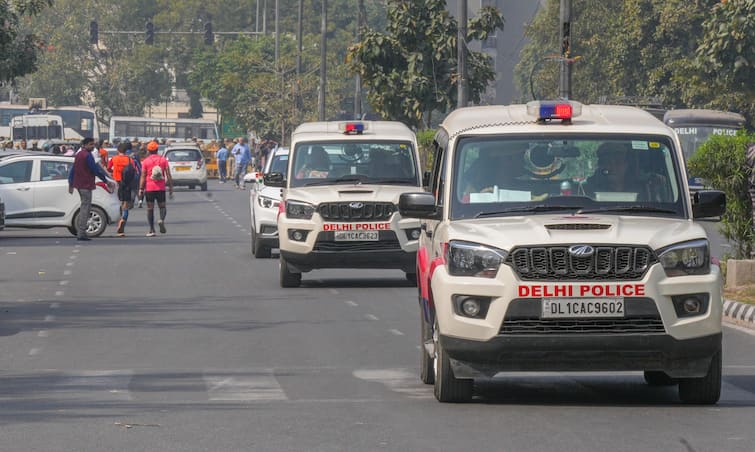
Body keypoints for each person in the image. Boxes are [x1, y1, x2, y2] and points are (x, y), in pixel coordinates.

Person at [67, 137, 115, 241]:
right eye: (90, 145)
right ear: (84, 145)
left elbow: (73, 170)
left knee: (84, 207)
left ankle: (81, 231)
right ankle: (81, 232)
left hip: (79, 185)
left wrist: (71, 183)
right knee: (86, 208)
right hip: (85, 185)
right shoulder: (87, 155)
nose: (93, 146)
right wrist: (106, 181)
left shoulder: (79, 155)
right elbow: (95, 170)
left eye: (93, 144)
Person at [138, 140, 173, 237]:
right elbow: (168, 175)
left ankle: (151, 230)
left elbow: (143, 176)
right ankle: (161, 219)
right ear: (157, 150)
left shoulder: (145, 161)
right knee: (162, 206)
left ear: (148, 151)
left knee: (150, 209)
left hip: (149, 188)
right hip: (161, 188)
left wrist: (141, 188)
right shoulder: (163, 160)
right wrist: (170, 187)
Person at [107, 142, 138, 236]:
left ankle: (118, 219)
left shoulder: (114, 159)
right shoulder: (129, 160)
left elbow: (108, 168)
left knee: (117, 203)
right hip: (127, 184)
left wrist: (114, 172)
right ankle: (123, 221)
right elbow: (134, 171)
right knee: (126, 205)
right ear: (125, 151)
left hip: (117, 183)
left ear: (118, 150)